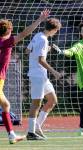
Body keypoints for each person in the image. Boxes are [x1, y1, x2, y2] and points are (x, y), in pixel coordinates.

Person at [0, 9, 50, 144]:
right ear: (9, 31)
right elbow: (24, 33)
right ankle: (11, 135)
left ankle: (11, 135)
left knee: (6, 105)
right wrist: (39, 20)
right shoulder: (7, 42)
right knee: (5, 105)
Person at [26, 18, 62, 140]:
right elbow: (41, 60)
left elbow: (27, 50)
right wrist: (54, 72)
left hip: (42, 76)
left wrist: (47, 49)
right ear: (53, 29)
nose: (56, 33)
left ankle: (36, 127)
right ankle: (31, 133)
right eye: (56, 31)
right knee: (36, 103)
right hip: (37, 75)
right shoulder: (43, 39)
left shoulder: (38, 35)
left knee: (52, 100)